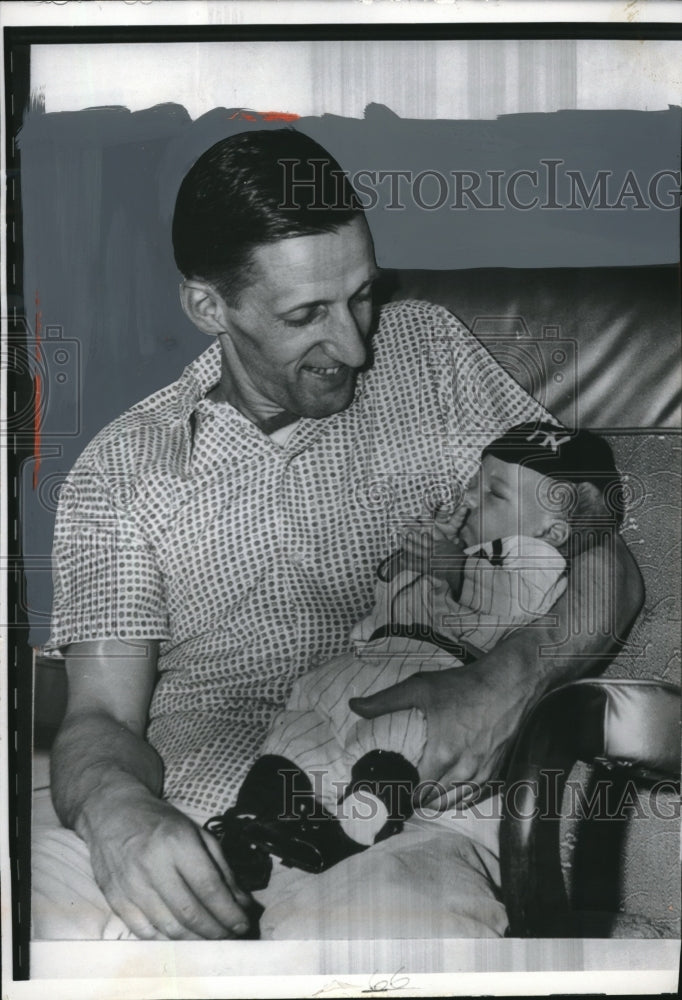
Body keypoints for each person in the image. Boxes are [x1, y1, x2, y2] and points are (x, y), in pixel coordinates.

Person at [32, 128, 643, 941]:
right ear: (210, 307)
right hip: (191, 821)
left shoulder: (426, 353)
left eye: (361, 294)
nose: (355, 345)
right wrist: (117, 816)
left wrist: (511, 681)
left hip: (398, 824)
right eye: (307, 315)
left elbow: (606, 555)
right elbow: (100, 719)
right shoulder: (121, 469)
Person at [212, 423, 623, 887]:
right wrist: (412, 562)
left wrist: (448, 564)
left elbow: (494, 613)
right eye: (475, 481)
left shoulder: (534, 564)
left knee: (394, 737)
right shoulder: (469, 547)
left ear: (552, 530)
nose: (468, 497)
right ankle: (257, 821)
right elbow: (391, 603)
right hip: (369, 664)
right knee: (300, 731)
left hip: (434, 672)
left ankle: (353, 831)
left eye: (495, 495)